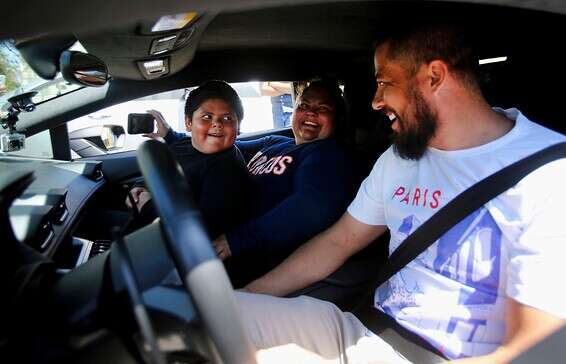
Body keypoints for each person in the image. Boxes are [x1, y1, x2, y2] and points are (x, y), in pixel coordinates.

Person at [235, 23, 566, 363]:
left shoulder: (550, 176)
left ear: (434, 76)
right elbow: (338, 241)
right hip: (366, 332)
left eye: (383, 83)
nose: (376, 102)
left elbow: (535, 349)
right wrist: (250, 294)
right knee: (212, 315)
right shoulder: (399, 157)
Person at [156, 79, 358, 286]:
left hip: (253, 259)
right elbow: (220, 141)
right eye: (304, 105)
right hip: (215, 234)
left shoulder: (329, 155)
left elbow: (311, 207)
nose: (310, 113)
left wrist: (237, 241)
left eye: (323, 108)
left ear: (338, 118)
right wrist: (170, 135)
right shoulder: (276, 143)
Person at [125, 80, 250, 239]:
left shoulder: (227, 170)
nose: (217, 124)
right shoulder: (184, 145)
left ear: (238, 127)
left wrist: (148, 206)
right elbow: (161, 172)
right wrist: (140, 188)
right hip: (146, 229)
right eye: (207, 117)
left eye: (227, 118)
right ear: (188, 123)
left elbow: (199, 232)